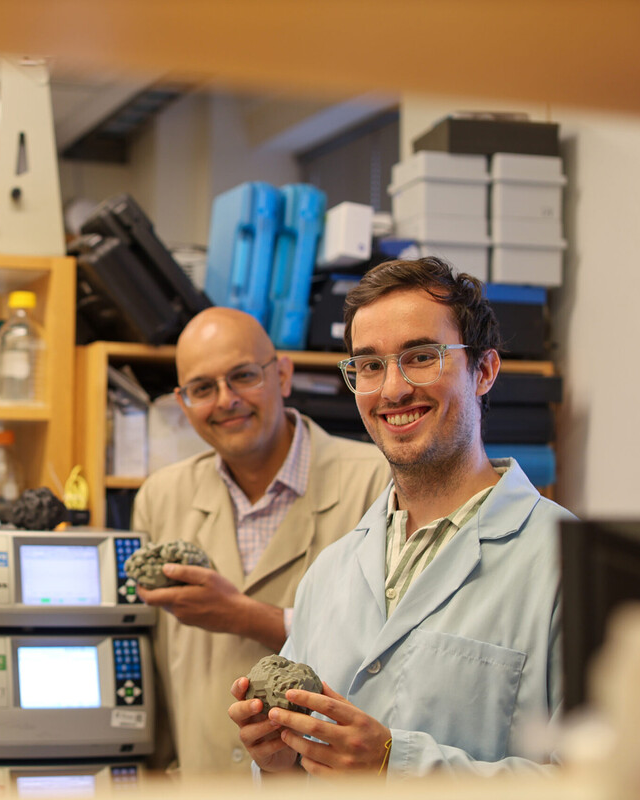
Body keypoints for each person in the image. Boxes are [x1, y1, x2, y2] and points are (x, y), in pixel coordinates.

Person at [228, 256, 575, 777]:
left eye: (420, 357)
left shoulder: (568, 562)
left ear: (484, 370)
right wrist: (282, 765)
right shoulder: (330, 572)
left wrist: (397, 765)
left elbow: (615, 781)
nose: (391, 390)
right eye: (369, 365)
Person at [131, 306, 391, 775]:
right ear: (183, 401)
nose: (226, 400)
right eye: (202, 388)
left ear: (284, 374)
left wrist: (243, 616)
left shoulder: (377, 483)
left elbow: (388, 654)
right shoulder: (160, 497)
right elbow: (148, 661)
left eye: (243, 376)